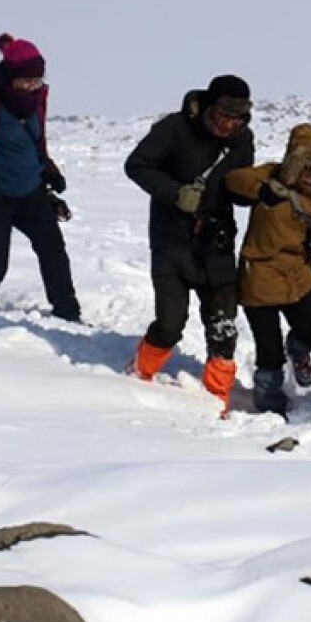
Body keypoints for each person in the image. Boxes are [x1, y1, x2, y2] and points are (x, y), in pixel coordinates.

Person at [123, 75, 255, 414]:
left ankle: (217, 400)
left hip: (216, 241)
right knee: (169, 324)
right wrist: (175, 193)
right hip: (173, 241)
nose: (229, 124)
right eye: (224, 115)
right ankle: (137, 376)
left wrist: (255, 190)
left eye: (238, 118)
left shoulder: (242, 139)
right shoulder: (174, 129)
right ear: (210, 107)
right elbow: (136, 165)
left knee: (223, 329)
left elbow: (238, 192)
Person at [224, 123, 311, 417]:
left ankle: (299, 350)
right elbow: (232, 180)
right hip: (260, 276)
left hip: (296, 274)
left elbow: (305, 226)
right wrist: (261, 189)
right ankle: (269, 407)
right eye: (308, 168)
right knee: (269, 350)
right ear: (295, 161)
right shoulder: (269, 175)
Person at [0, 34, 80, 321]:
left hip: (31, 190)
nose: (32, 86)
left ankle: (68, 314)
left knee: (53, 251)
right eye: (27, 80)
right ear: (10, 76)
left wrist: (50, 170)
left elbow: (33, 142)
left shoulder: (36, 100)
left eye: (37, 80)